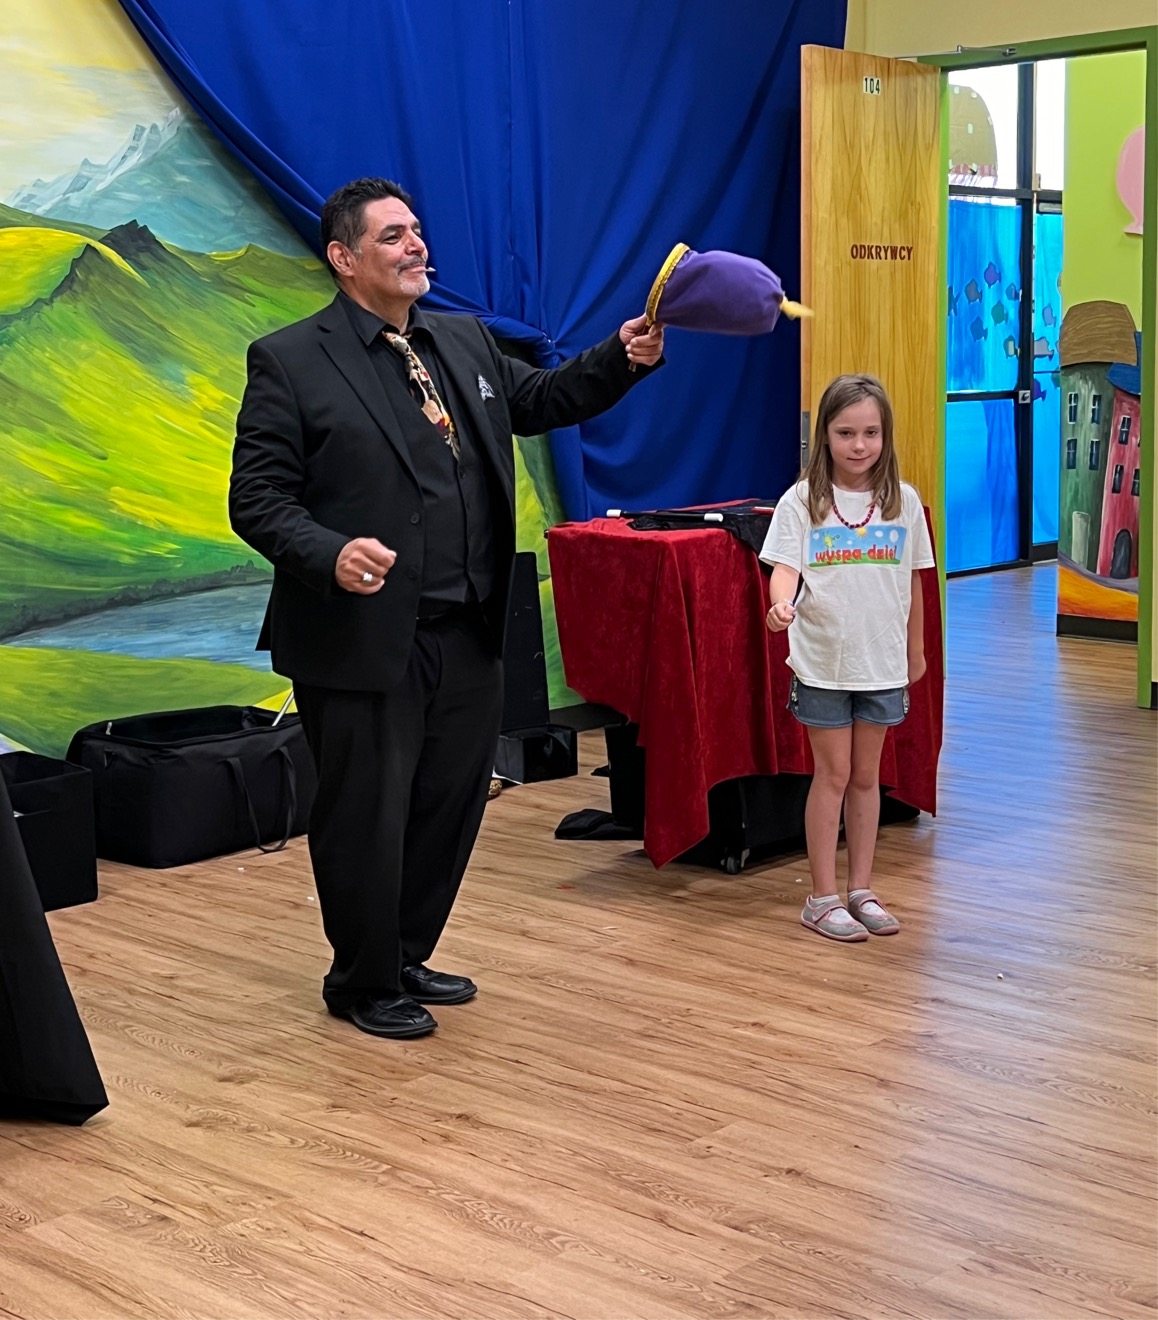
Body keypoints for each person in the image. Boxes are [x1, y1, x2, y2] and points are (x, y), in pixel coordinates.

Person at [229, 177, 664, 1037]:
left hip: (468, 630)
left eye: (417, 231)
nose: (416, 245)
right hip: (360, 638)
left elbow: (540, 401)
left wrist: (619, 357)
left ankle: (403, 953)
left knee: (449, 805)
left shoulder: (461, 340)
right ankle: (360, 982)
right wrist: (329, 553)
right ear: (343, 258)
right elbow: (258, 498)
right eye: (393, 236)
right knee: (365, 817)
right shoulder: (290, 359)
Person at [760, 373, 934, 943]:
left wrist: (915, 651)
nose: (859, 445)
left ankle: (861, 888)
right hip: (823, 663)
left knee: (866, 778)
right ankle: (821, 898)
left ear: (886, 435)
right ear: (825, 436)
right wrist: (780, 605)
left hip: (881, 663)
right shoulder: (800, 501)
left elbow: (914, 583)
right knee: (832, 775)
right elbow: (784, 569)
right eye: (845, 433)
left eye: (871, 433)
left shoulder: (904, 502)